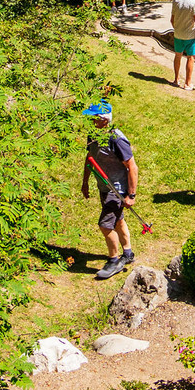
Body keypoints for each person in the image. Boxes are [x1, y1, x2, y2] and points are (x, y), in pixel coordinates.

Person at [81, 104, 138, 278]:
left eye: (93, 118)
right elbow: (90, 157)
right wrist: (85, 181)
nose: (90, 121)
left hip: (117, 189)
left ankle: (114, 261)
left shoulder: (116, 139)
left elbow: (132, 167)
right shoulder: (93, 135)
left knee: (105, 225)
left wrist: (131, 195)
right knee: (118, 220)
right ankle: (127, 253)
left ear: (104, 120)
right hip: (104, 186)